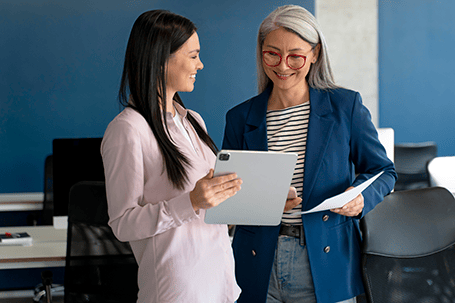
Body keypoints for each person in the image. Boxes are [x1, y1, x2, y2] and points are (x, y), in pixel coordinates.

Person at [222, 5, 397, 303]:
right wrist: (265, 201)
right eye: (272, 54)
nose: (283, 65)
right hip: (255, 260)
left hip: (326, 259)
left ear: (315, 53)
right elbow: (228, 197)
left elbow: (384, 171)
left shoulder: (345, 106)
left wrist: (361, 199)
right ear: (261, 52)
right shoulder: (241, 117)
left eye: (296, 56)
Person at [101, 10, 242, 303]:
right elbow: (123, 224)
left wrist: (262, 199)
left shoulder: (193, 121)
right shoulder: (128, 130)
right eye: (193, 56)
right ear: (161, 58)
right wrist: (190, 202)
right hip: (176, 290)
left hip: (220, 283)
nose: (200, 65)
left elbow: (210, 208)